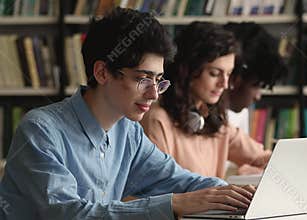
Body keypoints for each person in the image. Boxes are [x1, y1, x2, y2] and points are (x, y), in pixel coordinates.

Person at [0, 8, 255, 219]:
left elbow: (182, 181)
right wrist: (173, 204)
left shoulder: (128, 132)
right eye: (143, 79)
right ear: (102, 73)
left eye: (159, 80)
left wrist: (236, 195)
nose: (154, 94)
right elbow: (68, 213)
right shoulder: (40, 130)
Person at [140, 22, 271, 179]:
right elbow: (156, 189)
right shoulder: (157, 120)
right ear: (187, 70)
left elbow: (263, 158)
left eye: (228, 74)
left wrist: (255, 171)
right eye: (215, 73)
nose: (224, 84)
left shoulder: (214, 120)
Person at [222, 22, 288, 175]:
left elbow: (255, 157)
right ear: (236, 77)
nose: (258, 96)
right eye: (256, 86)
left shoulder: (233, 117)